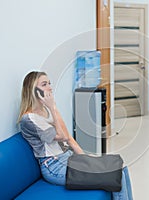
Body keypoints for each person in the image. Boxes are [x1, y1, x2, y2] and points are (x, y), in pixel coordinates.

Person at [18, 71, 133, 200]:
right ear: (33, 90)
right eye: (44, 84)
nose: (50, 87)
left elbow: (68, 137)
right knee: (117, 176)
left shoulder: (46, 110)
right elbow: (60, 136)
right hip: (54, 167)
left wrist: (86, 158)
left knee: (121, 168)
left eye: (49, 83)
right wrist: (53, 108)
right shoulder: (29, 119)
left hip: (69, 158)